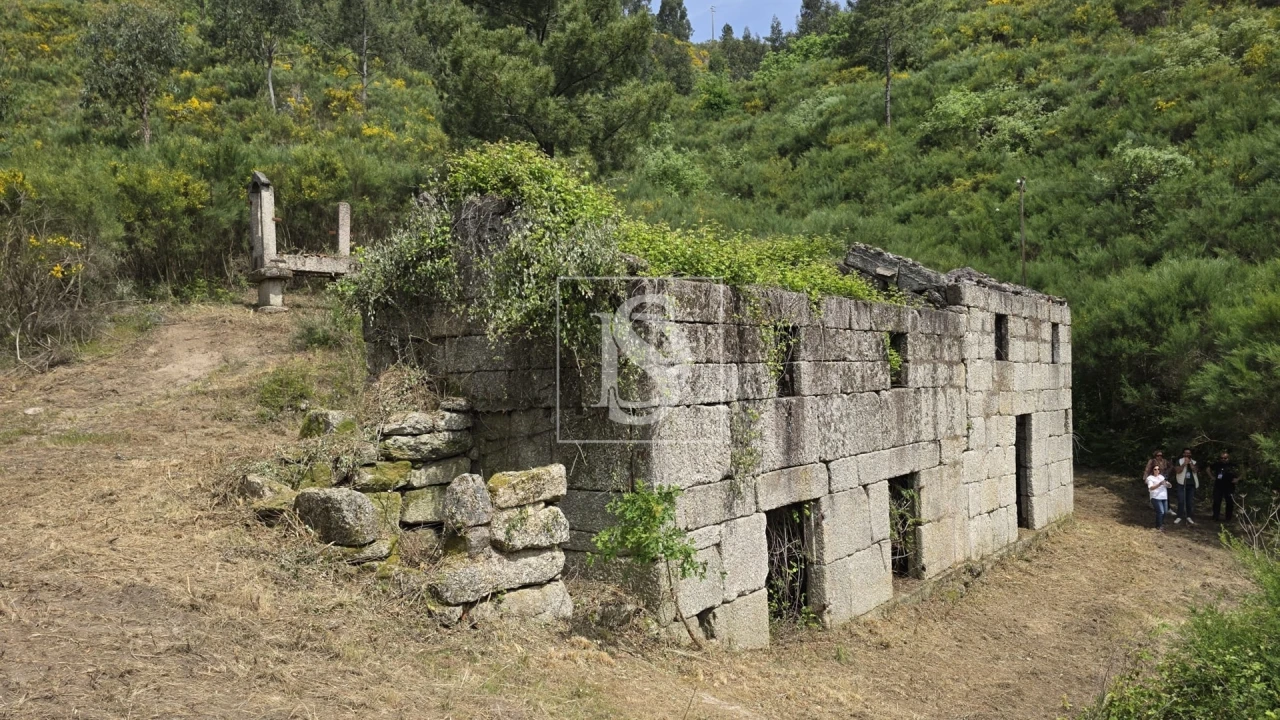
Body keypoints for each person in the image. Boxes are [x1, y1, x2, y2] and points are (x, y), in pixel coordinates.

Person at [1173, 448, 1200, 525]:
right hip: (1181, 483)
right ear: (1183, 454)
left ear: (1190, 454)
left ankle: (1189, 516)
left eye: (1189, 453)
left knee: (1189, 501)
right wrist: (1184, 464)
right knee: (1181, 500)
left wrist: (1190, 463)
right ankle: (1179, 516)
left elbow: (1195, 470)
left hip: (1191, 484)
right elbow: (1178, 471)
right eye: (1185, 453)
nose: (1187, 454)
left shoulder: (1194, 462)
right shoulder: (1179, 461)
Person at [1210, 451, 1239, 522]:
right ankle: (1215, 517)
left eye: (1225, 458)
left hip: (1229, 486)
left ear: (1228, 458)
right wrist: (1212, 477)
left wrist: (1237, 479)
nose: (1223, 459)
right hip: (1218, 485)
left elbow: (1244, 470)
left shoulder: (1233, 465)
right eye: (1222, 458)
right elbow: (1208, 469)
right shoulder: (1217, 464)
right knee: (1216, 501)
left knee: (1229, 502)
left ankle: (1228, 518)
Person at [1147, 466, 1171, 531]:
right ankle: (1158, 526)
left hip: (1164, 497)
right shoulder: (1150, 478)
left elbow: (1169, 486)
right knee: (1161, 512)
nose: (1157, 470)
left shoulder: (1161, 477)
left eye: (1158, 469)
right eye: (1155, 469)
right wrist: (1160, 484)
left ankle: (1161, 524)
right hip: (1155, 497)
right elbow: (1151, 487)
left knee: (1165, 512)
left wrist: (1166, 483)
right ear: (1152, 470)